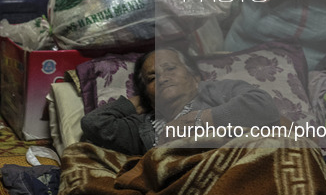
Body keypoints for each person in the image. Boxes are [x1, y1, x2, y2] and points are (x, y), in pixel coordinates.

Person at [80, 48, 281, 155]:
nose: (163, 78)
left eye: (170, 69)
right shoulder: (143, 128)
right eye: (152, 78)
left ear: (194, 78)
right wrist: (142, 101)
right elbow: (94, 123)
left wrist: (198, 120)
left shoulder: (215, 91)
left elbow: (262, 105)